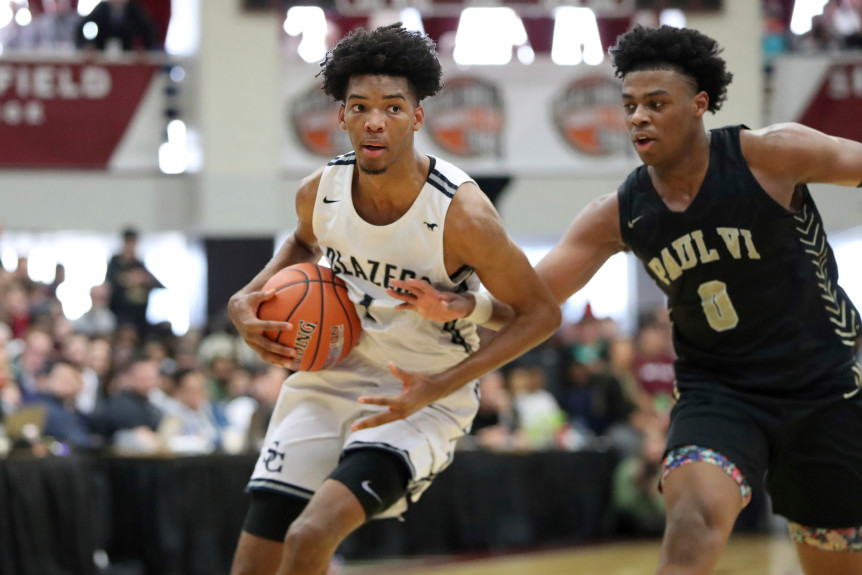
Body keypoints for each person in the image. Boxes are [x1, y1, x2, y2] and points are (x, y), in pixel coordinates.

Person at [392, 25, 862, 575]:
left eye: (656, 104)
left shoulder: (773, 155)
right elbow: (534, 304)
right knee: (691, 522)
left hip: (826, 386)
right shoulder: (616, 213)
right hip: (721, 392)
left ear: (698, 105)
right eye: (630, 105)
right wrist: (463, 306)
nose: (638, 117)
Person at [225, 23, 560, 575]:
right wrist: (249, 294)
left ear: (417, 116)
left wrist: (439, 380)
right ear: (342, 116)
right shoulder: (319, 192)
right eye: (359, 107)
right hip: (334, 371)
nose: (375, 121)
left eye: (393, 108)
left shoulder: (463, 216)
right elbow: (303, 242)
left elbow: (541, 313)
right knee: (256, 558)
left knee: (310, 536)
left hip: (425, 389)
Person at [105, 227, 163, 339]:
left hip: (140, 317)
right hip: (121, 316)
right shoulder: (115, 265)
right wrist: (127, 280)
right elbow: (109, 287)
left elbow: (159, 285)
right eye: (129, 243)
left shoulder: (139, 265)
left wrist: (145, 280)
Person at [75, 0, 160, 53]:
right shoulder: (102, 8)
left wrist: (144, 47)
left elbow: (150, 29)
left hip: (128, 55)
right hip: (103, 54)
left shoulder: (133, 9)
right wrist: (86, 45)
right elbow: (81, 27)